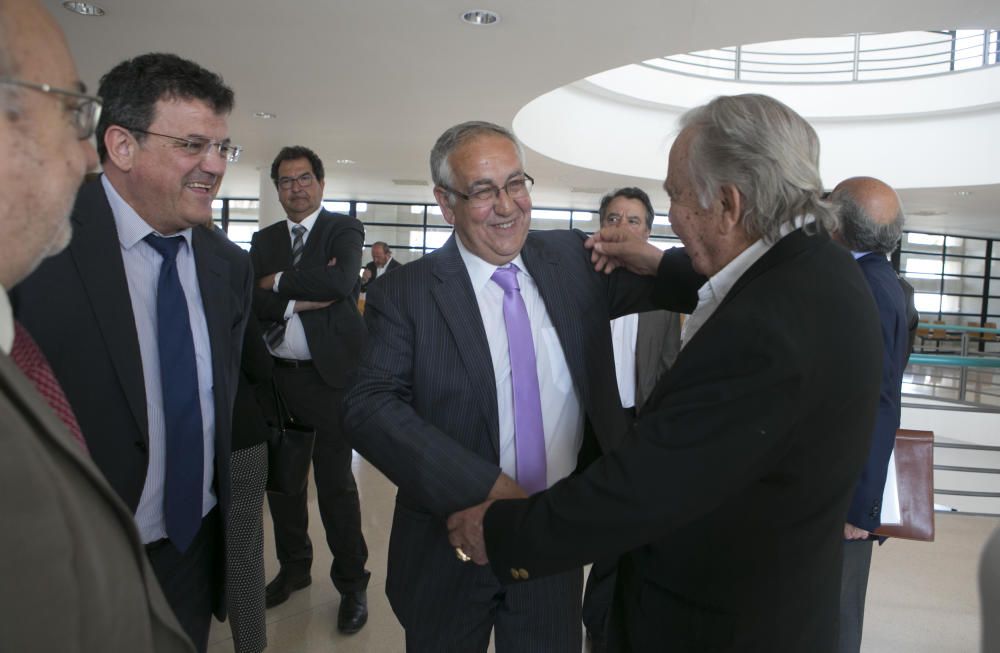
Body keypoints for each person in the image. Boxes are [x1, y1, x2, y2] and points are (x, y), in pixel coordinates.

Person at [447, 94, 884, 652]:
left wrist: (498, 533)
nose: (671, 214)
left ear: (728, 204)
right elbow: (739, 282)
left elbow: (640, 489)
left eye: (675, 195)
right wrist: (656, 262)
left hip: (717, 624)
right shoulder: (820, 266)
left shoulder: (765, 330)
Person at [343, 120, 647, 652]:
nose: (507, 206)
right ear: (445, 201)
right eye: (483, 190)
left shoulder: (574, 261)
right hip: (448, 543)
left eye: (516, 183)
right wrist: (485, 487)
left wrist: (657, 257)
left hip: (549, 541)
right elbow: (369, 406)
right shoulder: (409, 293)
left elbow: (695, 280)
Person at [13, 52, 252, 652]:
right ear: (121, 146)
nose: (214, 166)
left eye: (223, 148)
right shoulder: (38, 245)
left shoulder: (229, 267)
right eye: (192, 145)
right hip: (74, 559)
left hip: (193, 550)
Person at [249, 145, 371, 633]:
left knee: (336, 485)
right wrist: (294, 302)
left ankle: (351, 584)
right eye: (285, 181)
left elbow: (341, 282)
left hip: (333, 380)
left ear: (320, 183)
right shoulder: (265, 237)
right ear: (276, 189)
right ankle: (295, 569)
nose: (295, 188)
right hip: (279, 378)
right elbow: (251, 300)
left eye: (303, 179)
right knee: (284, 485)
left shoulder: (343, 228)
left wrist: (277, 280)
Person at [583, 187, 682, 648]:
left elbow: (667, 362)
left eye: (635, 221)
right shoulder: (580, 282)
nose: (623, 228)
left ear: (649, 231)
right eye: (614, 218)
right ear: (601, 225)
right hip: (584, 422)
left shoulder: (664, 292)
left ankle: (599, 619)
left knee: (620, 530)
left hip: (636, 422)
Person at [829, 176, 911, 653]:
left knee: (838, 616)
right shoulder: (877, 279)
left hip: (848, 495)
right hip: (838, 481)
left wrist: (862, 506)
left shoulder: (872, 288)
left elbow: (880, 400)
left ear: (836, 223)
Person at [226, 318, 277, 653]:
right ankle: (250, 646)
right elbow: (259, 366)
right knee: (243, 551)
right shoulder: (225, 276)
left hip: (165, 445)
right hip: (238, 436)